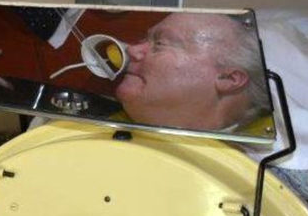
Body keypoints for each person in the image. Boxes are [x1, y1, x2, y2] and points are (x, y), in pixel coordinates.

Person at [114, 12, 269, 132]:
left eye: (160, 43)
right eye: (144, 40)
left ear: (228, 79)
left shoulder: (246, 170)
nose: (132, 50)